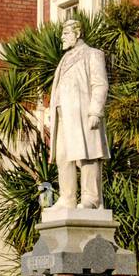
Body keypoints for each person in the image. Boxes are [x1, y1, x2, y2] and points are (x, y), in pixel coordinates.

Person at [47, 19, 111, 209]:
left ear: (78, 33)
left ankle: (91, 198)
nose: (62, 37)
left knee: (88, 154)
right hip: (63, 115)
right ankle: (67, 198)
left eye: (66, 33)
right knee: (63, 156)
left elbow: (100, 84)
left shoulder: (93, 54)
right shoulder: (64, 58)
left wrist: (95, 112)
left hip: (83, 113)